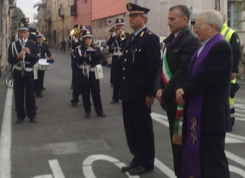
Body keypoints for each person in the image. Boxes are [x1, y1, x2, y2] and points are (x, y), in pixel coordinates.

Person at [175, 10, 231, 178]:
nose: (195, 29)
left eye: (198, 26)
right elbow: (188, 73)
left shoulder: (221, 47)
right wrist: (180, 87)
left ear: (212, 26)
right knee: (201, 160)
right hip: (200, 114)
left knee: (213, 162)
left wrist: (185, 93)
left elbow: (206, 78)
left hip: (210, 116)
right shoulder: (203, 48)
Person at [154, 5, 200, 178]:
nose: (168, 22)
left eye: (172, 19)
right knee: (175, 145)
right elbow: (161, 67)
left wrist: (164, 94)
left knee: (183, 146)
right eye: (168, 18)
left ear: (184, 20)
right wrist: (157, 88)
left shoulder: (191, 41)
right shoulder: (170, 40)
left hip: (180, 102)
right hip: (169, 100)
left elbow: (182, 72)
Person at [120, 3, 160, 176]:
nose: (131, 19)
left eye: (134, 16)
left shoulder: (150, 38)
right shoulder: (129, 38)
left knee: (143, 128)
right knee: (131, 128)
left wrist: (150, 93)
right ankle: (137, 157)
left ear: (144, 18)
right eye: (130, 16)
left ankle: (147, 161)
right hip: (128, 91)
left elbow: (153, 67)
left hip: (140, 92)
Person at [8, 22, 39, 124]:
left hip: (29, 73)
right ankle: (20, 115)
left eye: (24, 32)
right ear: (18, 33)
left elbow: (36, 59)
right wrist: (17, 57)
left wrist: (29, 53)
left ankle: (32, 115)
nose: (22, 34)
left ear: (27, 33)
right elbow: (10, 60)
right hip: (18, 72)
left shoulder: (32, 45)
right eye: (21, 32)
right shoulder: (13, 45)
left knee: (30, 95)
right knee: (18, 95)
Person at [71, 30, 106, 118]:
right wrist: (85, 55)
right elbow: (77, 60)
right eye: (86, 39)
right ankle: (87, 111)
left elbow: (101, 57)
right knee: (85, 93)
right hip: (83, 73)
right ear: (83, 40)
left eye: (90, 38)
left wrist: (92, 52)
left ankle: (99, 111)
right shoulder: (79, 49)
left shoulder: (96, 48)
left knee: (96, 92)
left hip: (93, 73)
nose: (88, 40)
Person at [220, 12, 241, 128]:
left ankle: (230, 122)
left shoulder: (230, 33)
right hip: (219, 72)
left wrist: (233, 70)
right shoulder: (215, 31)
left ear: (223, 19)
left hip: (228, 73)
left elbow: (236, 52)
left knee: (229, 100)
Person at [106, 18, 129, 104]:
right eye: (118, 26)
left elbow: (129, 44)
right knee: (116, 78)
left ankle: (123, 96)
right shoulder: (112, 36)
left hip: (124, 57)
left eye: (121, 25)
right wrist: (116, 36)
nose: (120, 27)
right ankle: (115, 97)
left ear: (124, 26)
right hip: (116, 58)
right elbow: (108, 44)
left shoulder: (128, 35)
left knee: (124, 78)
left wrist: (123, 35)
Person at [35, 31, 54, 97]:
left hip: (42, 63)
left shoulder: (44, 45)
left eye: (41, 38)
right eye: (38, 38)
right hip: (35, 63)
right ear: (36, 39)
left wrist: (50, 56)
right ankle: (34, 89)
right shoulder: (33, 45)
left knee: (41, 77)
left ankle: (39, 91)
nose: (40, 40)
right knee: (35, 77)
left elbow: (48, 53)